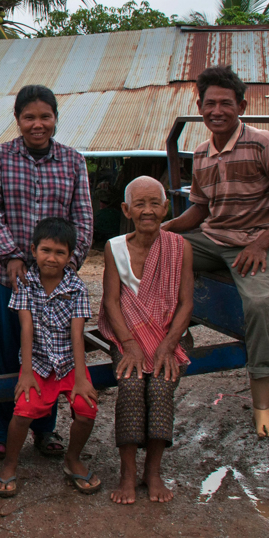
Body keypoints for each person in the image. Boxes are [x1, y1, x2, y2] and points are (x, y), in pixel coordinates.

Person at [162, 65, 269, 439]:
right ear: (200, 106)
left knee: (259, 305)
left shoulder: (263, 143)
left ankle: (262, 404)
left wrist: (261, 243)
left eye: (226, 103)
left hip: (257, 243)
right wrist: (164, 229)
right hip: (213, 239)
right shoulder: (200, 153)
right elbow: (199, 210)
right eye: (210, 103)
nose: (217, 111)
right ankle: (163, 335)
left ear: (241, 105)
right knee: (155, 250)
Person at [0, 85, 93, 460]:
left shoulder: (73, 161)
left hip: (55, 283)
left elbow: (83, 219)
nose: (37, 124)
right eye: (29, 117)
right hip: (7, 276)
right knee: (9, 353)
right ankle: (0, 429)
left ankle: (45, 429)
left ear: (56, 119)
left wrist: (68, 264)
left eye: (45, 116)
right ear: (17, 120)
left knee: (53, 353)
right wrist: (12, 255)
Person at [100, 176, 194, 504]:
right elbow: (112, 301)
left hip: (170, 335)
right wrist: (129, 344)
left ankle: (152, 472)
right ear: (127, 210)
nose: (148, 211)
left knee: (160, 386)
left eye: (155, 203)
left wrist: (168, 345)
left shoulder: (180, 247)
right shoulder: (114, 248)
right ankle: (127, 473)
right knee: (130, 385)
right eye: (139, 204)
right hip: (128, 337)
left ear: (166, 208)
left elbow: (186, 303)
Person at [0, 217, 99, 497]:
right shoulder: (26, 285)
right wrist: (26, 373)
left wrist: (80, 378)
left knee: (86, 411)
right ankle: (10, 464)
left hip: (67, 364)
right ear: (33, 249)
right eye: (46, 250)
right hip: (38, 363)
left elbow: (78, 335)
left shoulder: (77, 288)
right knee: (23, 411)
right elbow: (26, 329)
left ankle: (72, 459)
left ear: (70, 256)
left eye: (60, 252)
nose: (52, 258)